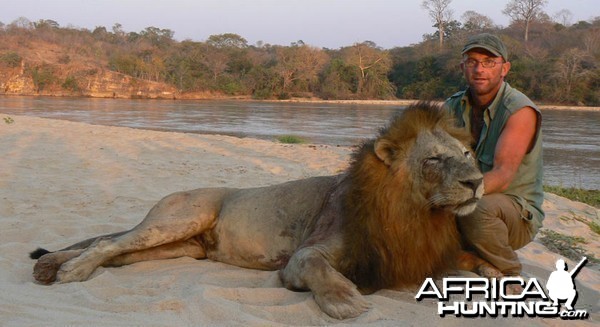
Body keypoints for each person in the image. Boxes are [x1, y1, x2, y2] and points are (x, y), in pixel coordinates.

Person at [444, 33, 544, 277]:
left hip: (512, 213)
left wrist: (451, 197)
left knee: (478, 208)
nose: (480, 69)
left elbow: (502, 175)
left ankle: (509, 271)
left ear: (505, 68)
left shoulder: (520, 110)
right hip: (463, 201)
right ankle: (468, 258)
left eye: (489, 62)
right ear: (462, 67)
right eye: (472, 62)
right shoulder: (451, 106)